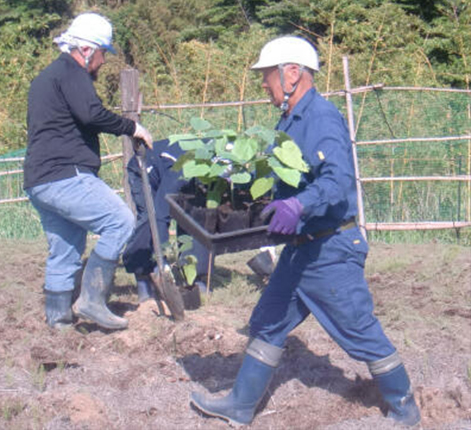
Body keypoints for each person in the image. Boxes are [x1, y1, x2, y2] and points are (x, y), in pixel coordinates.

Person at [190, 36, 421, 427]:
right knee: (268, 320)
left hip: (329, 249)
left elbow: (337, 180)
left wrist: (300, 205)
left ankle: (404, 407)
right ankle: (241, 406)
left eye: (267, 75)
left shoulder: (322, 118)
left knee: (359, 332)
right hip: (300, 250)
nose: (264, 84)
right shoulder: (289, 120)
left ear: (292, 73)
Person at [24, 12, 153, 330]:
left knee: (66, 247)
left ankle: (59, 323)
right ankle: (92, 300)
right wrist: (131, 127)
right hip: (65, 175)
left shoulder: (45, 78)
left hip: (39, 181)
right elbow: (91, 114)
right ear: (85, 49)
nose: (103, 61)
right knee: (120, 220)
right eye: (102, 53)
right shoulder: (72, 72)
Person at [123, 138, 212, 301]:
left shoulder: (225, 164)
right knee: (149, 220)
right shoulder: (183, 170)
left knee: (196, 218)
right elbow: (161, 215)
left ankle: (195, 276)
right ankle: (144, 275)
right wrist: (161, 261)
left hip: (181, 170)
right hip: (146, 167)